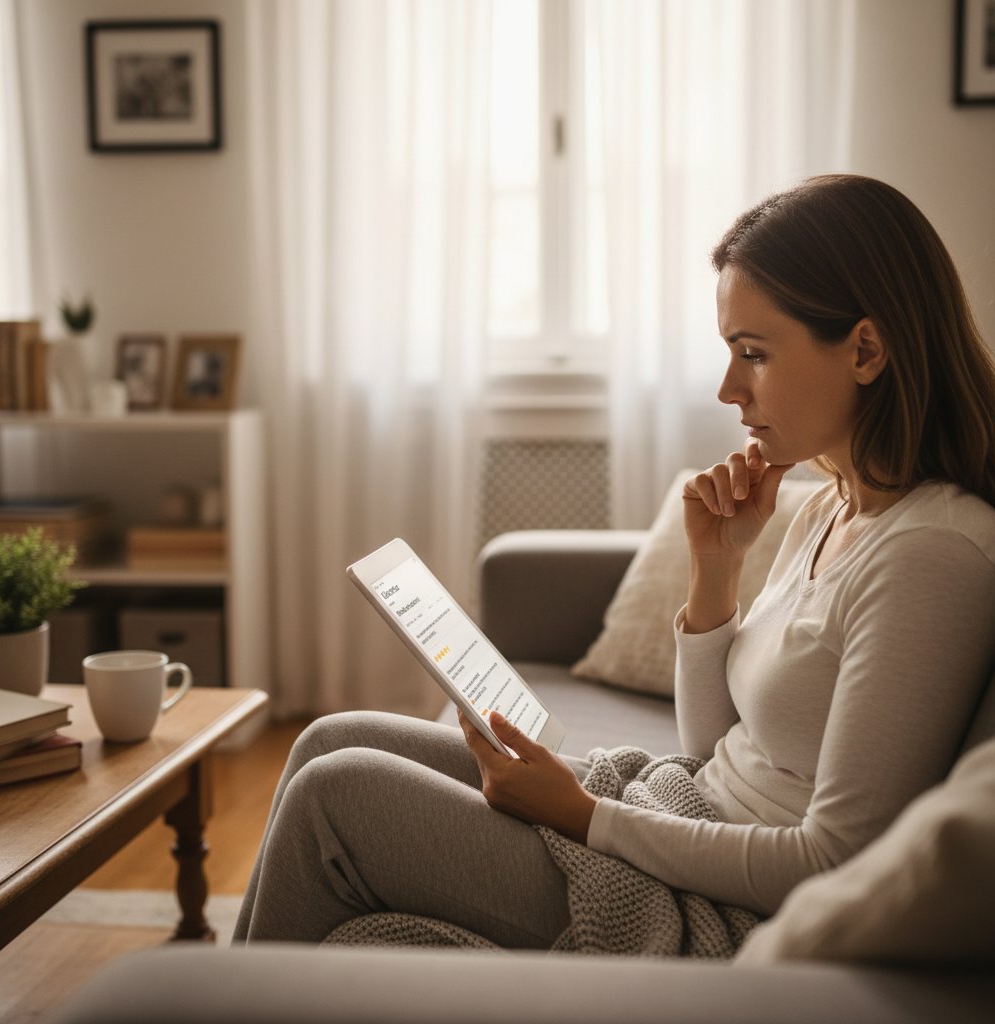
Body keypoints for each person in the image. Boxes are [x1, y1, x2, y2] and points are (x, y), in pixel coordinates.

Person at [233, 174, 995, 952]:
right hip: (682, 818)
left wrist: (584, 815)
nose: (730, 388)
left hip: (719, 908)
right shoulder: (835, 504)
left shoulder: (932, 556)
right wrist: (716, 573)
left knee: (336, 798)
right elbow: (708, 754)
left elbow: (835, 861)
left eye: (754, 354)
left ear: (866, 349)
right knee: (327, 741)